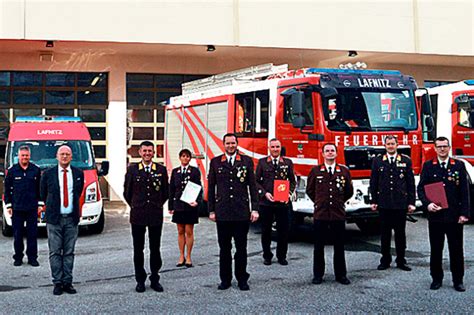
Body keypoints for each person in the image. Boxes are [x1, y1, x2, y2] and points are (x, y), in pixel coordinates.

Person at [417, 136, 470, 292]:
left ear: (449, 147)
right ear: (434, 148)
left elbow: (464, 192)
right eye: (439, 146)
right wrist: (428, 205)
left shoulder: (458, 166)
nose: (442, 149)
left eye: (445, 146)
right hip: (436, 217)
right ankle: (436, 279)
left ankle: (458, 280)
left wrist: (464, 214)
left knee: (456, 250)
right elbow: (421, 189)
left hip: (454, 216)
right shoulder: (428, 166)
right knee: (436, 249)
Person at [207, 133, 259, 291]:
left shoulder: (246, 161)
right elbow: (211, 188)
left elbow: (253, 187)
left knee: (241, 248)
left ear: (237, 144)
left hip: (241, 212)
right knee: (224, 249)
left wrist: (255, 208)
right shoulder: (216, 162)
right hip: (222, 212)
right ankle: (225, 280)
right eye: (228, 143)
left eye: (233, 143)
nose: (230, 146)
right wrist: (211, 210)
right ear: (223, 145)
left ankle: (242, 278)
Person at [123, 140, 169, 293]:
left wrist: (155, 205)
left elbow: (165, 193)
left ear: (153, 153)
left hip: (155, 214)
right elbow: (127, 193)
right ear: (140, 152)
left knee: (155, 248)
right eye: (145, 151)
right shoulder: (132, 170)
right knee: (138, 249)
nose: (147, 153)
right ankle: (140, 280)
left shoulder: (161, 170)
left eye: (150, 151)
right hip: (138, 215)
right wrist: (137, 205)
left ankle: (155, 278)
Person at [306, 143, 353, 285]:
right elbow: (310, 191)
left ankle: (341, 275)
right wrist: (321, 202)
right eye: (327, 151)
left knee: (339, 247)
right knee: (318, 247)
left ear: (336, 153)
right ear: (323, 154)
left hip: (337, 214)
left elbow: (348, 191)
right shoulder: (315, 171)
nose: (330, 153)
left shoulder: (344, 171)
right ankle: (318, 275)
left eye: (332, 151)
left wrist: (338, 202)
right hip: (321, 214)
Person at [40, 145, 84, 295]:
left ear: (71, 157)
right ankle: (57, 282)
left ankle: (68, 282)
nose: (64, 156)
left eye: (67, 154)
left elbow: (77, 193)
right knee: (55, 252)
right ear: (57, 156)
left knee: (69, 252)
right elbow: (43, 194)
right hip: (54, 220)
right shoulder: (48, 174)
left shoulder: (78, 173)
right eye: (62, 154)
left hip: (71, 219)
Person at [369, 135, 415, 271]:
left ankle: (401, 260)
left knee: (400, 234)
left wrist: (411, 202)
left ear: (397, 145)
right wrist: (373, 201)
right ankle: (385, 260)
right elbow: (374, 182)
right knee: (385, 234)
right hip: (384, 204)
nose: (390, 146)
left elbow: (410, 183)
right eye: (388, 144)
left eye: (392, 144)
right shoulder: (378, 161)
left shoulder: (405, 160)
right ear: (385, 146)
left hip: (400, 204)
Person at [255, 138, 296, 266]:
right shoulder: (262, 163)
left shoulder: (288, 162)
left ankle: (282, 256)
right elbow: (256, 182)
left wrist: (289, 193)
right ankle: (267, 256)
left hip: (283, 203)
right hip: (266, 203)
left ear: (280, 148)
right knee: (266, 231)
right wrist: (264, 193)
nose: (275, 149)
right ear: (269, 148)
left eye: (277, 147)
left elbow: (292, 181)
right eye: (273, 147)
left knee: (283, 230)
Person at [4, 145, 43, 267]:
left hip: (32, 208)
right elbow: (7, 189)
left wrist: (40, 204)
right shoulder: (12, 171)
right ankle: (18, 258)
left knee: (32, 234)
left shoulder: (35, 170)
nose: (24, 157)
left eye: (26, 155)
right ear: (19, 156)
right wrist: (9, 206)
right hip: (17, 209)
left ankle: (32, 258)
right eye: (22, 155)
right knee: (18, 235)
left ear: (29, 156)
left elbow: (40, 189)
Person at [168, 148, 202, 268]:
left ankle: (188, 256)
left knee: (189, 232)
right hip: (178, 205)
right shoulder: (175, 171)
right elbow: (171, 189)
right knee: (180, 231)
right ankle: (181, 255)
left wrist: (197, 202)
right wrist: (170, 206)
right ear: (180, 157)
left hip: (190, 206)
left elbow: (198, 188)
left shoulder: (194, 171)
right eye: (183, 156)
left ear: (190, 158)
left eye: (187, 156)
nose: (185, 158)